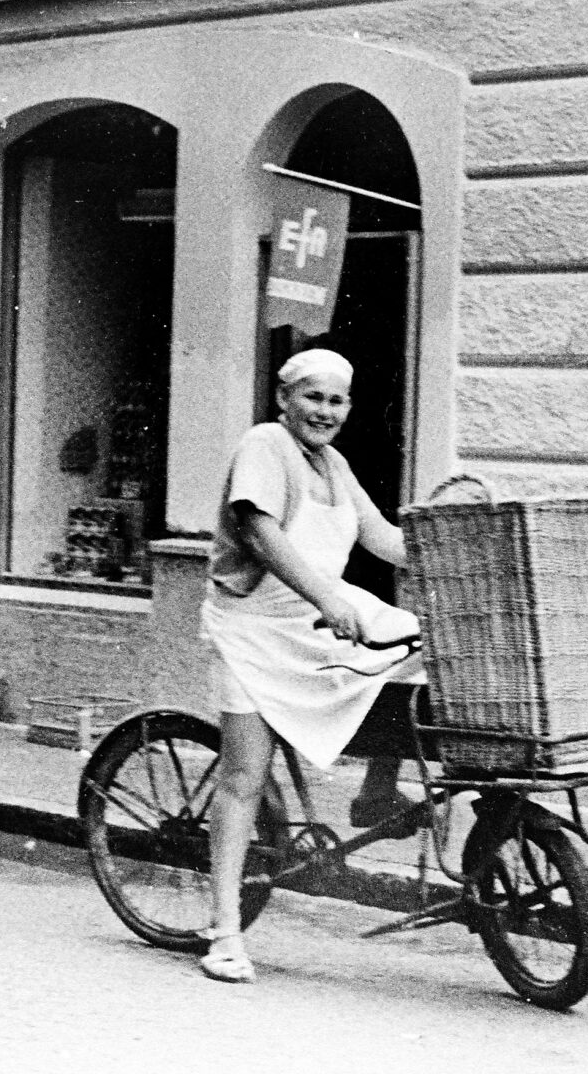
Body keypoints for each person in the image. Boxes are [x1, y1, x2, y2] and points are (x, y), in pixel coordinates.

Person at [199, 348, 425, 984]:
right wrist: (327, 597)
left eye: (337, 401)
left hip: (318, 616)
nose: (326, 412)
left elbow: (380, 536)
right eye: (314, 398)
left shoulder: (334, 463)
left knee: (417, 649)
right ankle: (224, 932)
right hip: (254, 627)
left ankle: (376, 794)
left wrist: (461, 560)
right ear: (283, 397)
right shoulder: (264, 445)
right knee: (245, 773)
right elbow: (259, 534)